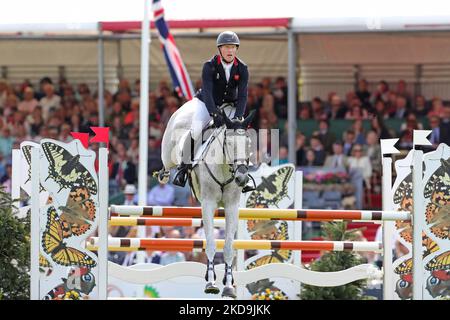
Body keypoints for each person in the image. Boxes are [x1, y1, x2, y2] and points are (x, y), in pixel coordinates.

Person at [172, 31, 249, 187]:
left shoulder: (242, 68)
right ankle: (183, 168)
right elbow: (207, 92)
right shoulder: (209, 66)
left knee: (239, 134)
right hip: (206, 103)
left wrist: (238, 117)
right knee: (196, 130)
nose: (230, 51)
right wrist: (214, 114)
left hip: (229, 105)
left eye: (233, 47)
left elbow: (242, 96)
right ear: (220, 49)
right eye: (227, 47)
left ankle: (244, 171)